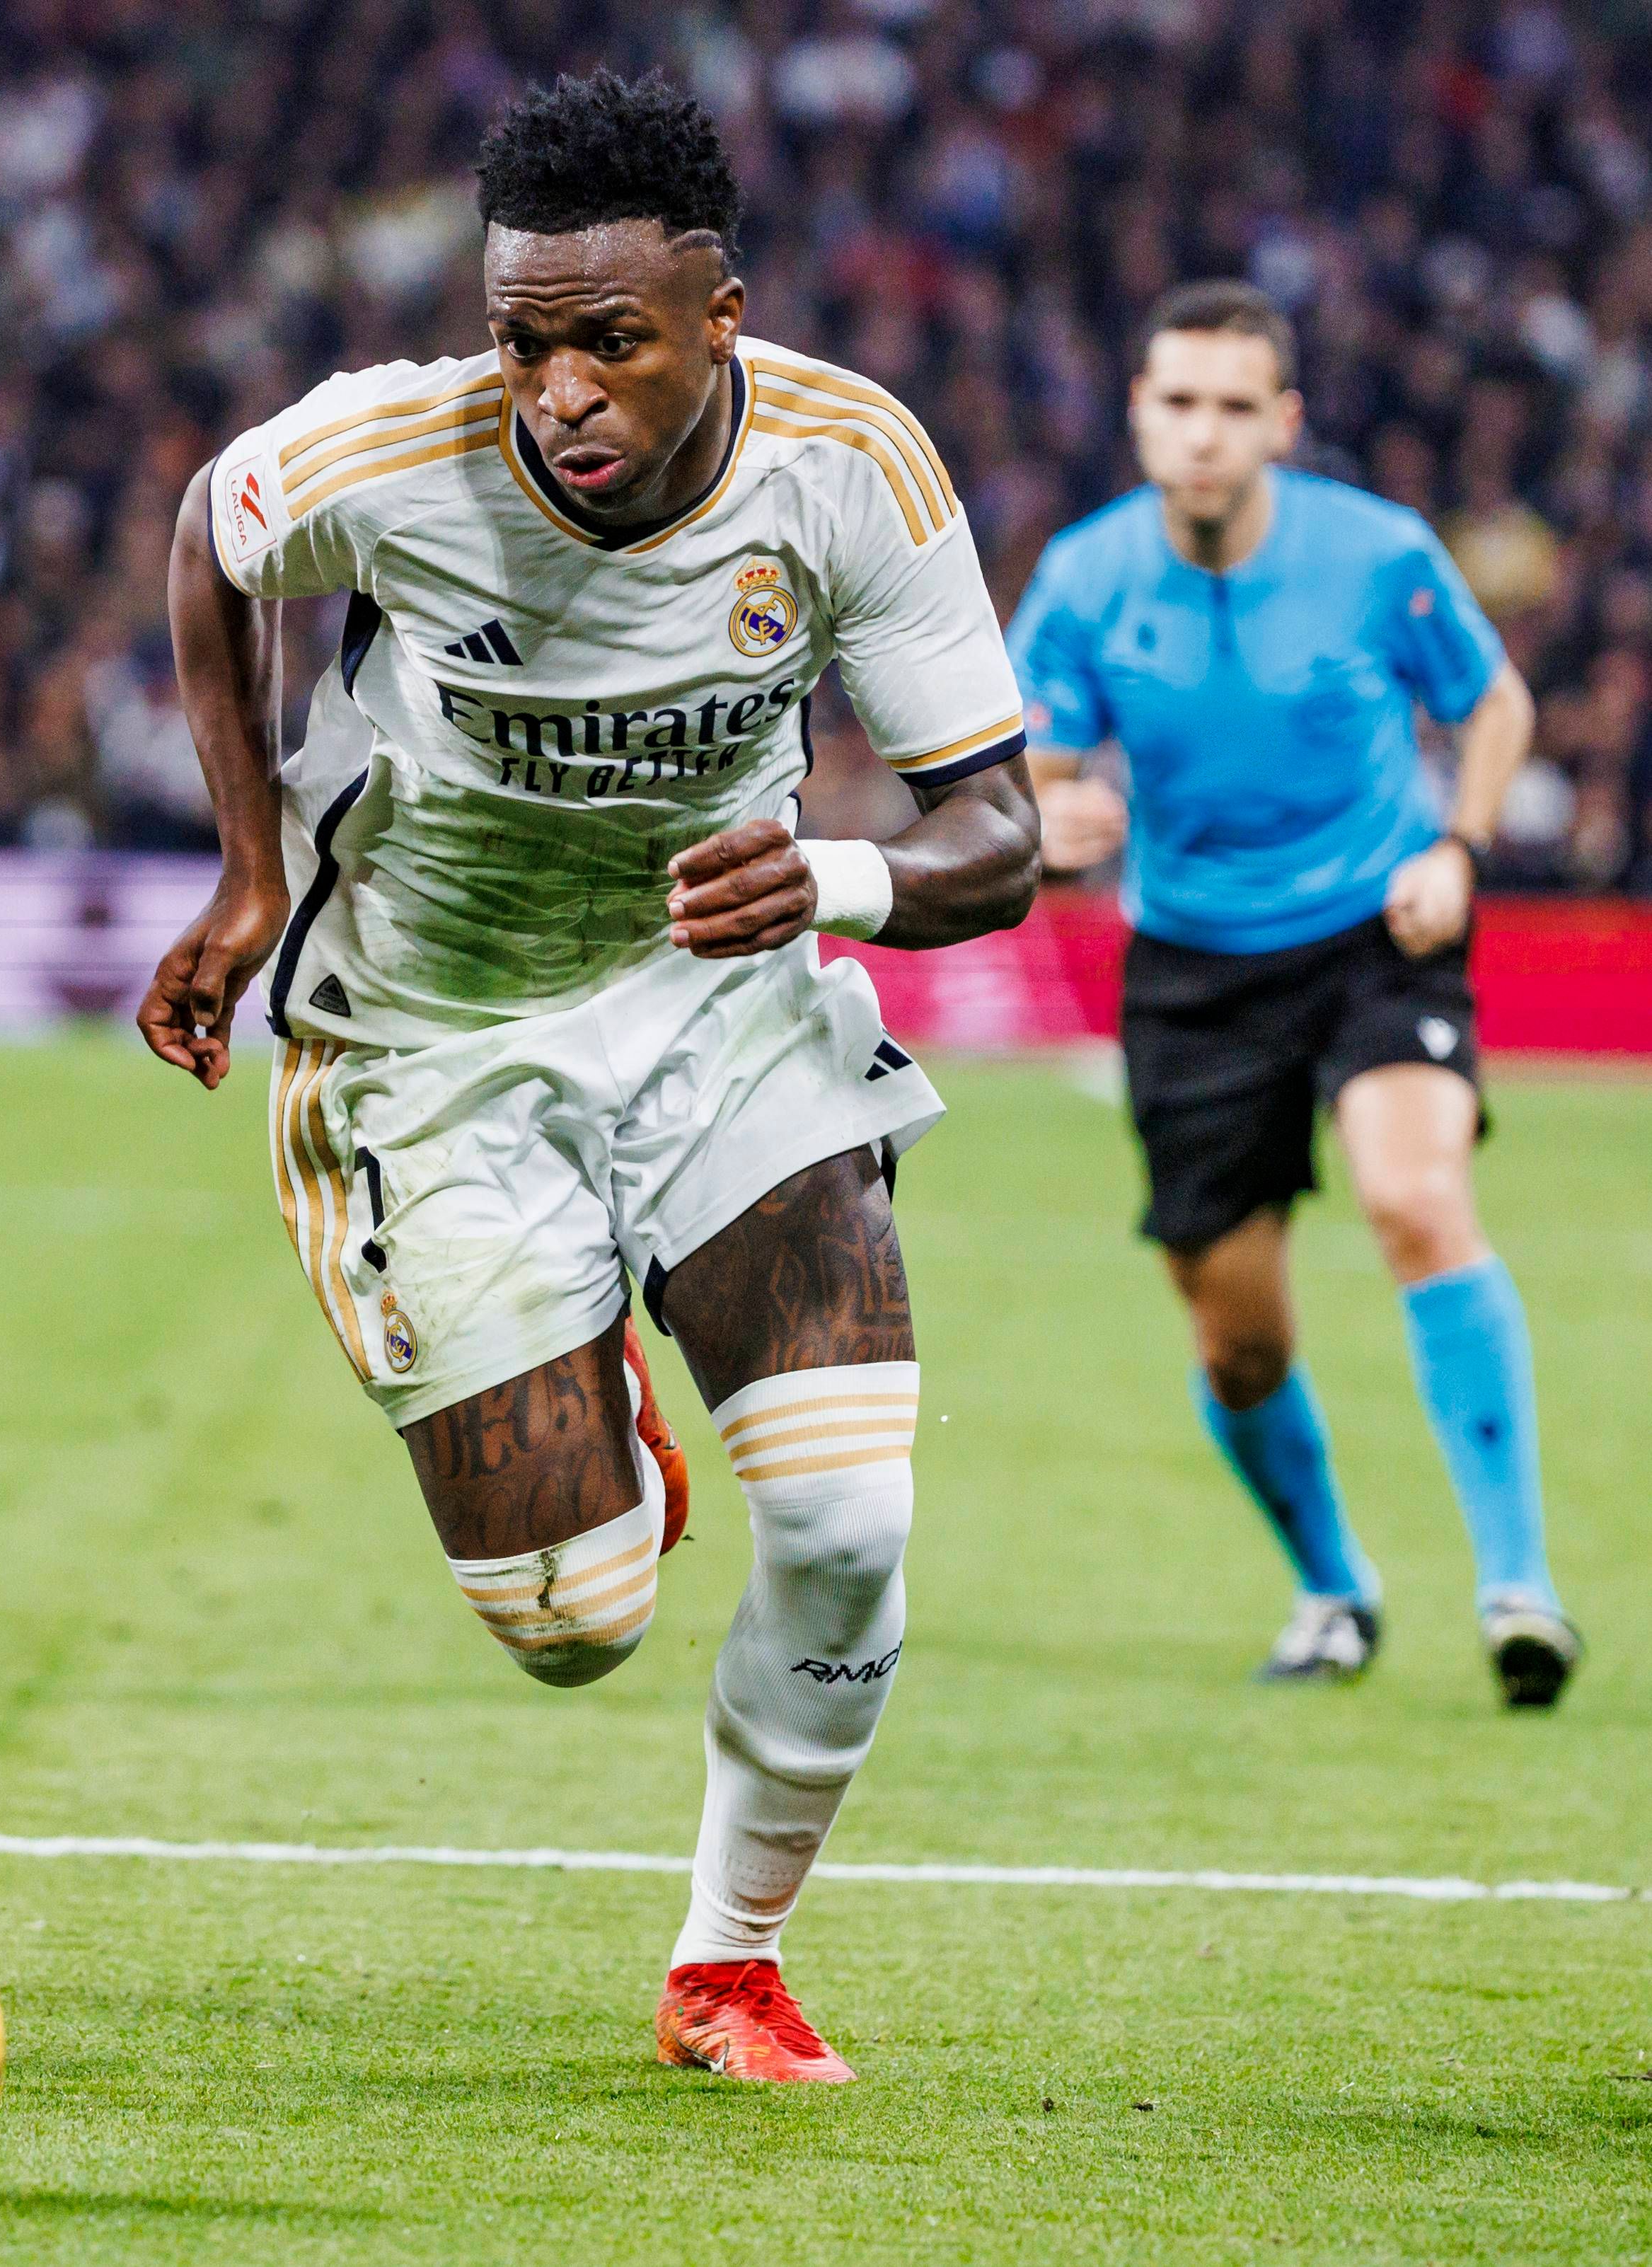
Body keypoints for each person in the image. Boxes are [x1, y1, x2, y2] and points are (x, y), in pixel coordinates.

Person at [139, 69, 1040, 2084]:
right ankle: (578, 1350)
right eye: (520, 338)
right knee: (571, 1619)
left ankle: (725, 1961)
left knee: (843, 1520)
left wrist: (833, 873)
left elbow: (1003, 831)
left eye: (606, 341)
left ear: (716, 314)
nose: (554, 388)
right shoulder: (386, 451)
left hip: (719, 1016)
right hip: (432, 1043)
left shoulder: (845, 465)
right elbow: (211, 532)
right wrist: (243, 865)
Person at [1009, 281, 1576, 1706]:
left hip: (1378, 928)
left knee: (1415, 1199)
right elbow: (1038, 776)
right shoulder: (1082, 580)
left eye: (1232, 408)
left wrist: (1460, 842)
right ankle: (1335, 1588)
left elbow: (1493, 704)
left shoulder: (1379, 554)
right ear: (1139, 415)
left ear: (1284, 424)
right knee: (1237, 1332)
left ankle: (1521, 1590)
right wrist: (1055, 818)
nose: (1203, 434)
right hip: (1195, 967)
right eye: (1178, 404)